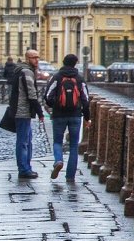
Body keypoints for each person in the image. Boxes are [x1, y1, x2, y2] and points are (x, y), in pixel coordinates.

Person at [44, 53, 91, 182]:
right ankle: (70, 177)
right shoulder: (79, 78)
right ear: (75, 63)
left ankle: (58, 161)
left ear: (63, 62)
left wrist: (56, 106)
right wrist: (87, 118)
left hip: (59, 115)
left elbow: (47, 96)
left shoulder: (57, 77)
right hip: (76, 115)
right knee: (74, 146)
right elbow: (86, 100)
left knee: (57, 142)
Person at [13, 49, 43, 179]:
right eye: (33, 58)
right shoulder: (26, 72)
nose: (36, 60)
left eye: (37, 57)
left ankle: (26, 167)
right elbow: (31, 94)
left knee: (26, 141)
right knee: (24, 142)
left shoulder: (23, 70)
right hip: (23, 111)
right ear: (27, 58)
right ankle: (24, 169)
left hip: (22, 110)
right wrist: (40, 112)